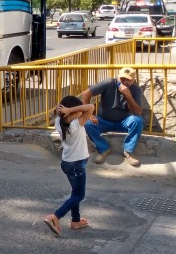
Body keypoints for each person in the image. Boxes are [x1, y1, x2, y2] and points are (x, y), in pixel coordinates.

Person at [44, 95, 95, 235]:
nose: (80, 112)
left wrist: (66, 110)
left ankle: (76, 221)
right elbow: (90, 107)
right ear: (70, 112)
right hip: (77, 164)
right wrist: (71, 109)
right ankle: (55, 216)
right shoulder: (76, 125)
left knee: (75, 192)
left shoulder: (58, 121)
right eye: (77, 111)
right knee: (79, 195)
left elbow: (84, 111)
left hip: (66, 163)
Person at [79, 66, 144, 167]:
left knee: (138, 120)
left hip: (123, 121)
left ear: (133, 81)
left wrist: (128, 95)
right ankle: (104, 149)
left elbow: (137, 111)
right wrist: (89, 114)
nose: (124, 82)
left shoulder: (136, 90)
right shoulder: (109, 83)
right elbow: (86, 94)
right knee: (87, 123)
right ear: (118, 77)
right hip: (103, 120)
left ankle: (128, 151)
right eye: (122, 78)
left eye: (128, 80)